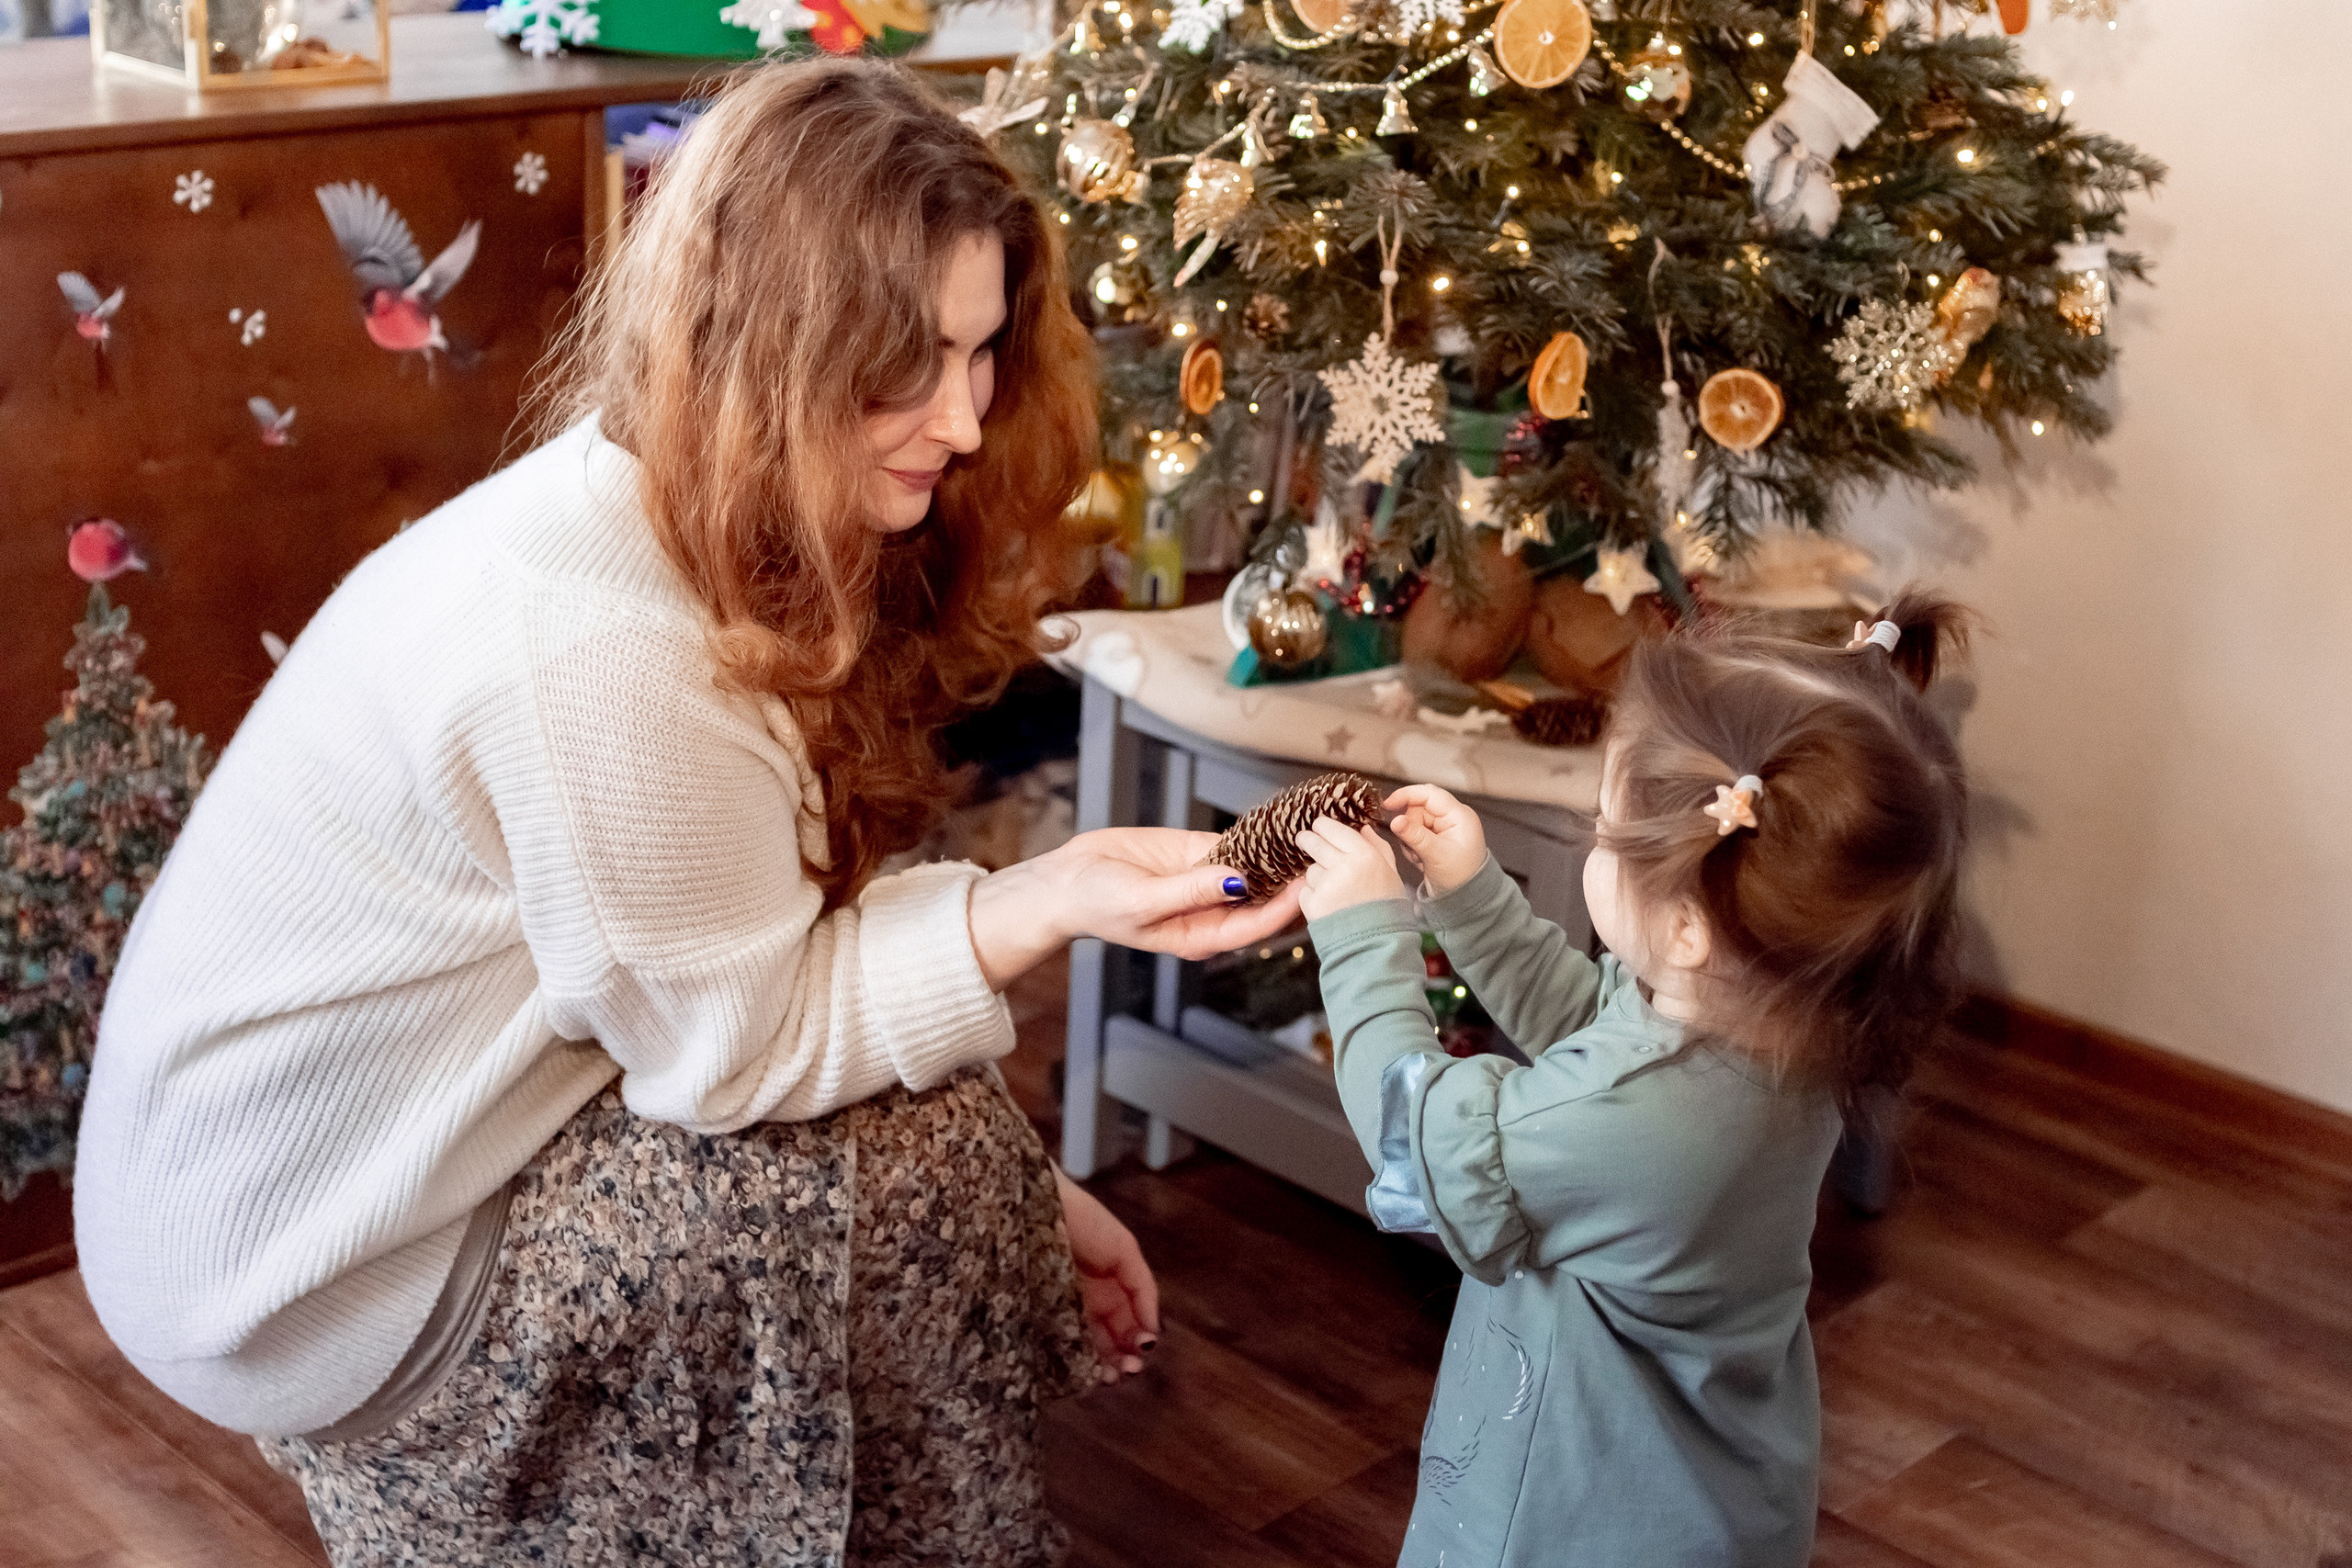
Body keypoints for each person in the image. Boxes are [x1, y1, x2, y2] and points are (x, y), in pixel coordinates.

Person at [73, 58, 1300, 1567]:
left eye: (983, 354)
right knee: (922, 1162)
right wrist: (1042, 900)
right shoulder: (596, 646)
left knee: (951, 1119)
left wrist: (1034, 1172)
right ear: (774, 349)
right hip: (301, 1273)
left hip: (276, 1189)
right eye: (911, 362)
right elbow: (752, 1043)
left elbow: (750, 936)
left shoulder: (639, 510)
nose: (968, 419)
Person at [1289, 594, 1970, 1567]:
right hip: (1711, 1494)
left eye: (1604, 829)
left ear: (1689, 928)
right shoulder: (1787, 1026)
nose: (1589, 836)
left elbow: (1422, 1140)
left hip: (1573, 1519)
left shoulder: (1625, 1119)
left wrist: (1363, 935)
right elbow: (1596, 1039)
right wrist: (1475, 897)